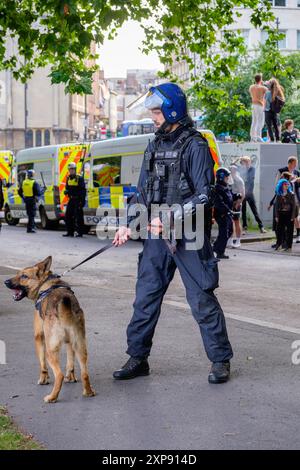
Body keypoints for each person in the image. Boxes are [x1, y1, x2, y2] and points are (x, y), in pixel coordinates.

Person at [112, 83, 233, 384]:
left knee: (201, 299)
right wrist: (130, 223)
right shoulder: (153, 144)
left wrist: (169, 218)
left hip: (188, 234)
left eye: (156, 111)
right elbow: (141, 191)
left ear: (171, 111)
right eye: (152, 111)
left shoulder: (196, 145)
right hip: (156, 235)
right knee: (145, 297)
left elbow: (205, 195)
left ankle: (220, 360)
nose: (153, 116)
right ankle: (137, 358)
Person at [213, 167, 242, 259]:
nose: (228, 179)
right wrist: (228, 210)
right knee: (224, 233)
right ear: (221, 177)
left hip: (227, 214)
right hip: (221, 214)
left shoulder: (225, 187)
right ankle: (219, 252)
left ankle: (216, 247)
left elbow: (229, 197)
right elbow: (219, 202)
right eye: (226, 177)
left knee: (229, 232)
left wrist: (236, 196)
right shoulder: (217, 188)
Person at [239, 156, 266, 234]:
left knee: (254, 210)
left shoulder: (252, 169)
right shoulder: (241, 169)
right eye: (244, 162)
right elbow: (232, 166)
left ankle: (261, 227)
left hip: (249, 193)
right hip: (242, 193)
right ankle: (244, 227)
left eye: (247, 162)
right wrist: (237, 160)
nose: (246, 163)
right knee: (243, 211)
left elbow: (250, 179)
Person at [276, 156, 300, 243]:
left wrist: (297, 180)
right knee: (286, 216)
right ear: (290, 163)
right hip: (284, 197)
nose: (296, 165)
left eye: (296, 164)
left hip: (295, 196)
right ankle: (284, 237)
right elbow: (277, 183)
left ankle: (298, 235)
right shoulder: (282, 170)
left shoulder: (297, 172)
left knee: (296, 215)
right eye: (294, 163)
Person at [63, 162, 86, 238]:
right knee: (68, 216)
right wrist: (66, 192)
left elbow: (82, 191)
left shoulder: (79, 178)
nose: (71, 171)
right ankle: (70, 232)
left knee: (78, 216)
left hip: (78, 199)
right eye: (70, 169)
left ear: (75, 169)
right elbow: (67, 188)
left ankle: (80, 232)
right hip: (71, 199)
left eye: (73, 169)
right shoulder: (68, 178)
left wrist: (82, 201)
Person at [274, 179, 296, 252]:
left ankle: (289, 246)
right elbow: (276, 206)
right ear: (281, 186)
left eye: (287, 184)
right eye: (285, 184)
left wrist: (293, 216)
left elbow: (294, 206)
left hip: (289, 214)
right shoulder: (279, 194)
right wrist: (276, 216)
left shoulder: (291, 194)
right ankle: (279, 244)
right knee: (279, 230)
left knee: (289, 231)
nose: (286, 185)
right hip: (281, 214)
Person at [18, 169, 41, 233]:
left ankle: (33, 226)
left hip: (27, 200)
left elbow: (19, 192)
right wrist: (42, 190)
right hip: (32, 200)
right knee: (32, 214)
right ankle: (30, 228)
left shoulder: (24, 182)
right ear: (32, 175)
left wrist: (23, 197)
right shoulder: (34, 182)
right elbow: (38, 193)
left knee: (29, 214)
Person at [229, 164, 245, 248]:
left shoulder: (239, 180)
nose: (230, 171)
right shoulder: (229, 180)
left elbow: (243, 194)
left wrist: (238, 203)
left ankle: (238, 240)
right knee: (230, 222)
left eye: (232, 169)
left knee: (236, 221)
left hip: (236, 203)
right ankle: (230, 240)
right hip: (229, 203)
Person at [264, 78, 285, 143]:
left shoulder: (267, 92)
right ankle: (278, 139)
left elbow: (265, 101)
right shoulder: (279, 91)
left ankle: (272, 139)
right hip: (275, 111)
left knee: (269, 126)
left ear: (270, 84)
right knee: (276, 126)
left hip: (267, 110)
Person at [249, 73, 268, 142]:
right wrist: (264, 84)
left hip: (253, 105)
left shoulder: (251, 87)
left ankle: (252, 137)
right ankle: (258, 136)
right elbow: (268, 92)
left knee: (254, 121)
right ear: (261, 79)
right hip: (260, 105)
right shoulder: (263, 88)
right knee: (260, 122)